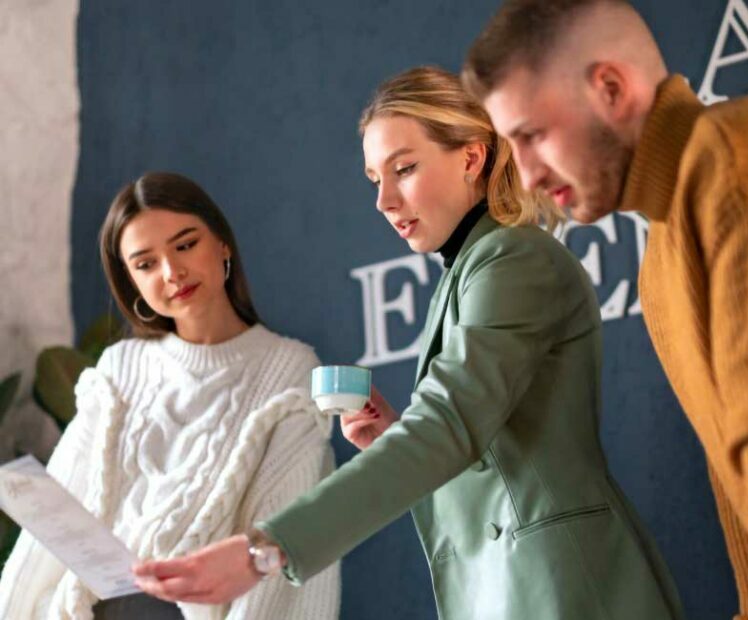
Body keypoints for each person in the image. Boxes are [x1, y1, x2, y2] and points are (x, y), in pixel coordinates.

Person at [134, 67, 684, 620]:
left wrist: (267, 549)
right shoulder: (471, 268)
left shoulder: (512, 259)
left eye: (404, 169)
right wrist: (393, 434)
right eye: (375, 178)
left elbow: (447, 426)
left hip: (565, 590)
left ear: (471, 158)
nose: (384, 200)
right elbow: (479, 446)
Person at [461, 1, 748, 618]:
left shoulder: (738, 163)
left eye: (532, 135)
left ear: (611, 88)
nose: (525, 176)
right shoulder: (663, 256)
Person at [0, 172, 340, 620]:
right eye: (145, 264)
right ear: (132, 282)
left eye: (185, 245)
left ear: (223, 244)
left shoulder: (288, 371)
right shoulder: (119, 369)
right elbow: (52, 527)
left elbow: (279, 535)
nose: (171, 272)